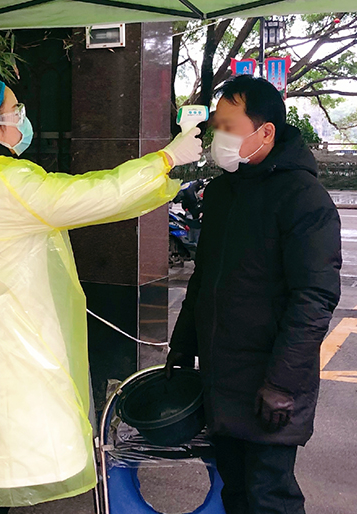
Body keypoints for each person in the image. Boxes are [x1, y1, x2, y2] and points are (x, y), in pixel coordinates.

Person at [0, 77, 203, 513]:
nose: (22, 119)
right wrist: (165, 158)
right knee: (4, 467)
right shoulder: (8, 181)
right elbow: (95, 194)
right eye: (15, 111)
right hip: (13, 345)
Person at [166, 75, 342, 514]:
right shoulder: (224, 191)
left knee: (270, 496)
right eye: (217, 127)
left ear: (265, 132)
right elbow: (204, 276)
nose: (218, 138)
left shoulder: (304, 197)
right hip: (221, 375)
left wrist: (282, 383)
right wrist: (184, 345)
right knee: (235, 491)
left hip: (271, 384)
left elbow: (314, 298)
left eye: (229, 127)